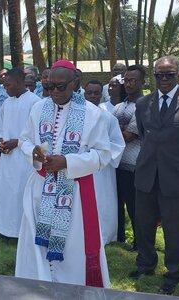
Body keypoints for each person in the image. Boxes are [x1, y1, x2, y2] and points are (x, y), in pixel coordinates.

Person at [15, 60, 112, 288]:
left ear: (75, 83)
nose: (54, 92)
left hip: (75, 192)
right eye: (50, 87)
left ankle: (70, 287)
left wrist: (67, 161)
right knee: (37, 245)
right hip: (40, 188)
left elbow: (103, 155)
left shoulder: (93, 114)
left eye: (61, 87)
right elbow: (24, 140)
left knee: (72, 246)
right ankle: (38, 284)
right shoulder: (38, 108)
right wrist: (34, 152)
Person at [130, 56, 179, 295]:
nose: (164, 79)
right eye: (159, 75)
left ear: (178, 75)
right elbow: (144, 134)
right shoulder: (143, 104)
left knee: (177, 230)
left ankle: (174, 273)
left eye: (169, 74)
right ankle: (146, 264)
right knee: (143, 224)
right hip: (147, 175)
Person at [0, 68, 41, 238]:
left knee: (21, 192)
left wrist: (16, 142)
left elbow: (37, 134)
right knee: (6, 192)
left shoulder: (35, 102)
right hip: (7, 157)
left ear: (20, 83)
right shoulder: (7, 102)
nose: (5, 88)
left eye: (8, 84)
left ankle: (21, 231)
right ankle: (4, 228)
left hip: (24, 159)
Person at [84, 79, 125, 245]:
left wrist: (101, 156)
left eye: (96, 93)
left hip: (102, 169)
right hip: (79, 167)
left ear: (102, 94)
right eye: (89, 92)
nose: (93, 96)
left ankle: (104, 236)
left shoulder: (108, 118)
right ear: (84, 93)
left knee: (102, 202)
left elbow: (118, 144)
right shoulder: (74, 116)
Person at [113, 65, 145, 250]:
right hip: (116, 164)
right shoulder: (119, 106)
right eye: (127, 80)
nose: (130, 84)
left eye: (134, 80)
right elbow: (107, 132)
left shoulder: (143, 105)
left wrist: (117, 129)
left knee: (134, 207)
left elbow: (128, 136)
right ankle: (119, 238)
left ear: (142, 82)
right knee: (116, 205)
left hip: (134, 164)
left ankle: (139, 244)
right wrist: (120, 130)